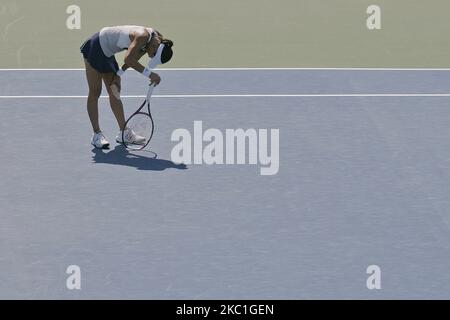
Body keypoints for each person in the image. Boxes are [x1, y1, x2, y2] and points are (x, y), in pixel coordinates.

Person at [80, 25, 174, 149]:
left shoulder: (153, 40)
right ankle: (96, 134)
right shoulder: (143, 36)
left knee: (114, 91)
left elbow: (133, 58)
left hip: (107, 52)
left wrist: (118, 74)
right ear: (156, 47)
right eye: (152, 55)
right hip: (96, 46)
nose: (150, 57)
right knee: (95, 91)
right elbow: (129, 59)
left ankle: (123, 132)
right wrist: (150, 75)